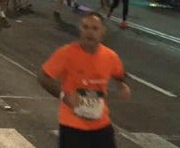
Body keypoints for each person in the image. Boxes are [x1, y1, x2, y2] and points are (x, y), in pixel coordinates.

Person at [38, 12, 130, 147]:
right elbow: (43, 77)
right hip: (73, 126)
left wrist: (122, 85)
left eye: (94, 28)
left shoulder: (110, 56)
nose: (89, 32)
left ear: (102, 31)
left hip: (101, 124)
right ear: (80, 29)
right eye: (85, 27)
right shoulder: (66, 53)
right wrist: (65, 96)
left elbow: (120, 74)